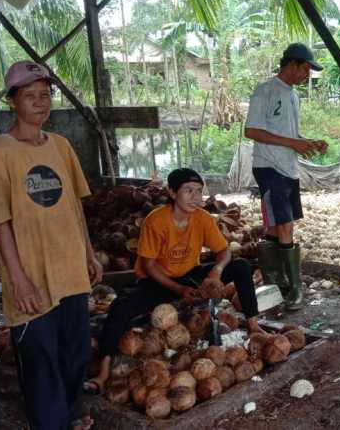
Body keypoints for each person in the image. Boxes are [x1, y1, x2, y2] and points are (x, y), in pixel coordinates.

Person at [0, 61, 103, 430]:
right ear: (12, 102)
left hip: (70, 272)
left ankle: (62, 419)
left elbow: (75, 205)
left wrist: (89, 252)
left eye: (45, 95)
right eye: (30, 96)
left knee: (76, 355)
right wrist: (17, 278)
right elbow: (0, 219)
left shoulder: (61, 146)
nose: (40, 102)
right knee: (41, 361)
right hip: (31, 276)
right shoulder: (1, 151)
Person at [84, 168, 265, 393]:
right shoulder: (156, 220)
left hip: (189, 275)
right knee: (120, 307)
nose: (196, 197)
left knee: (241, 266)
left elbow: (224, 251)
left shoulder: (203, 218)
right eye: (188, 191)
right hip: (157, 281)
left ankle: (253, 325)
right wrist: (178, 289)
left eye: (199, 191)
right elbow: (149, 266)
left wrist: (217, 270)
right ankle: (102, 374)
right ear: (171, 192)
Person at [244, 43, 327, 311]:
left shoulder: (293, 96)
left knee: (274, 226)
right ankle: (294, 288)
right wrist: (293, 143)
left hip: (288, 167)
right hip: (269, 166)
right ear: (292, 65)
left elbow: (290, 135)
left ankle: (275, 285)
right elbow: (252, 131)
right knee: (285, 225)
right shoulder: (265, 91)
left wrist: (307, 142)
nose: (307, 74)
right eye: (305, 69)